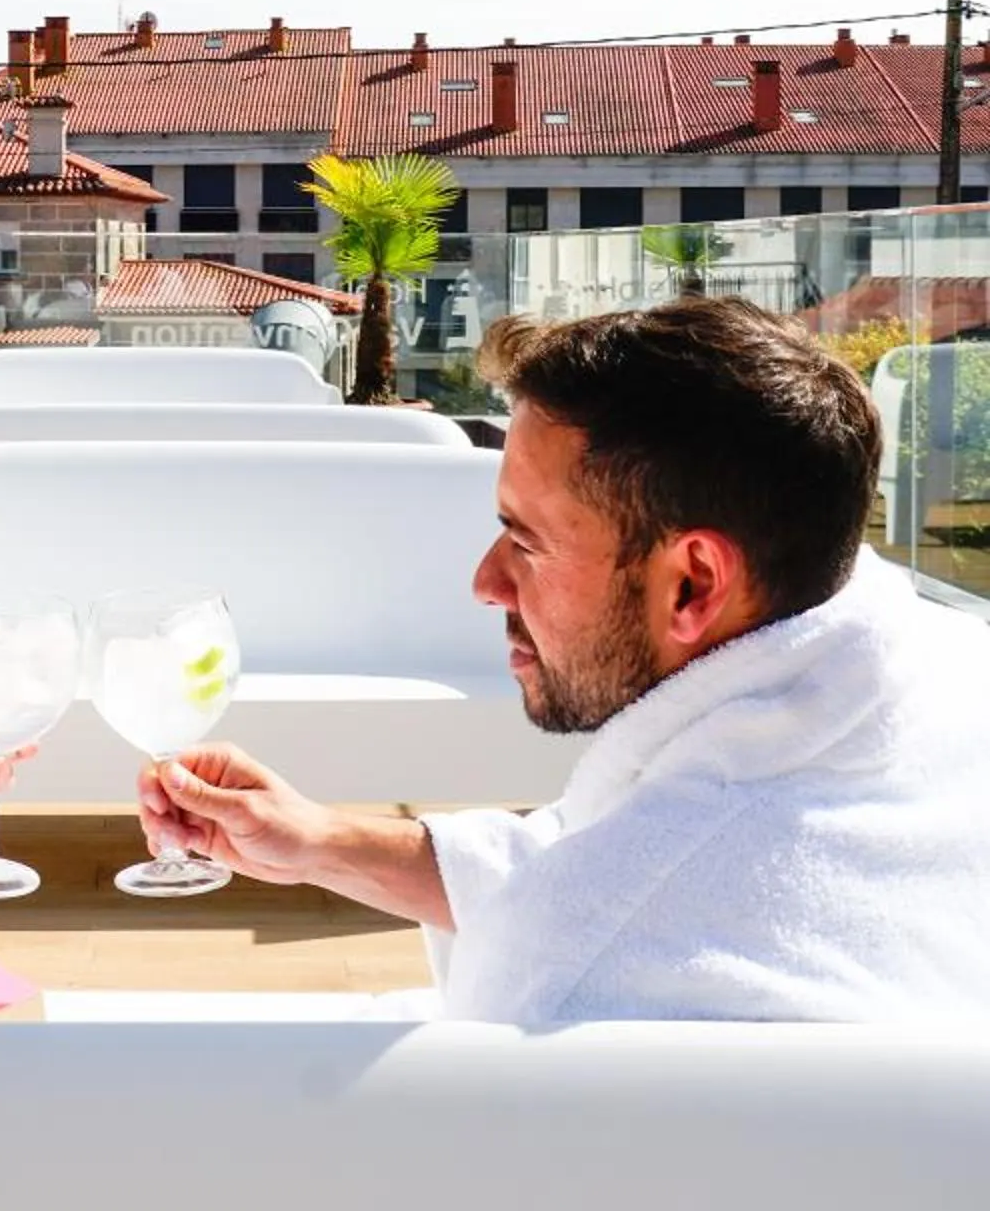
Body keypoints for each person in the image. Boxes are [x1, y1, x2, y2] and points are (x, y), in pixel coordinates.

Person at [139, 300, 990, 1028]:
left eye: (525, 540)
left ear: (691, 582)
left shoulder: (575, 983)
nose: (485, 583)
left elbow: (610, 898)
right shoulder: (940, 669)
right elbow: (607, 853)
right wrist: (320, 843)